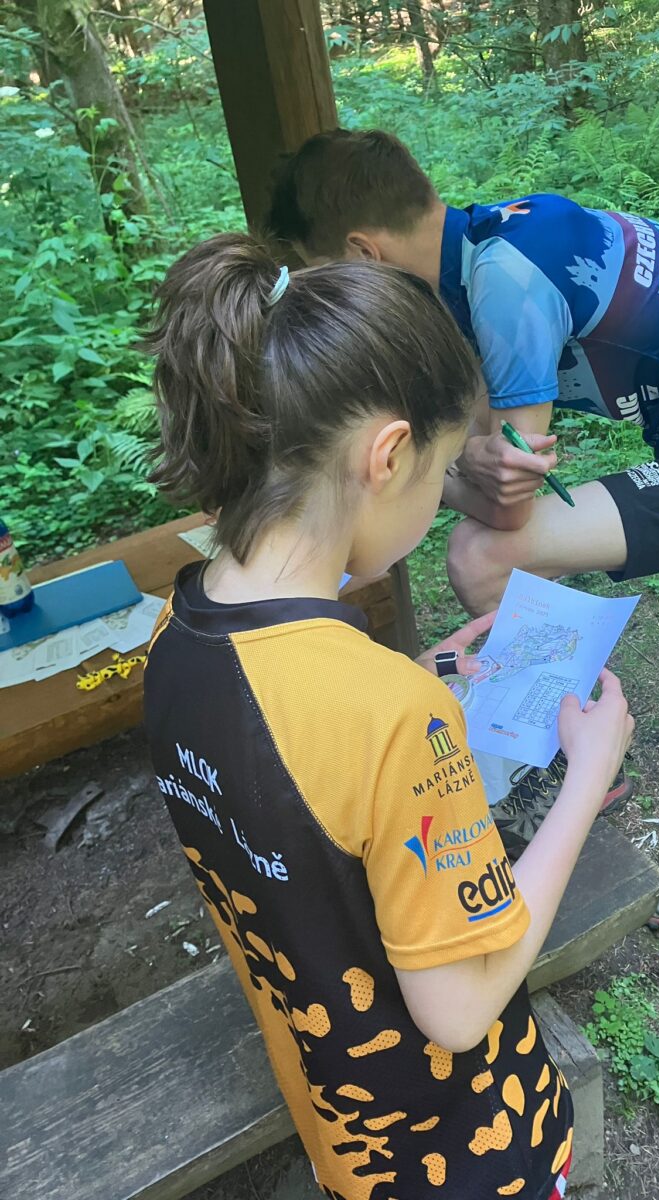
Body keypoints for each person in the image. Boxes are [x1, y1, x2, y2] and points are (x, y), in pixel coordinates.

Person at [142, 234, 633, 1200]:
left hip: (342, 1134)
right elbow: (459, 1008)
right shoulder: (395, 718)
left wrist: (408, 673)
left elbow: (287, 770)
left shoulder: (175, 633)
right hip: (468, 1157)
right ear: (389, 455)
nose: (441, 501)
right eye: (443, 472)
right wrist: (586, 777)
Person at [267, 129, 659, 955]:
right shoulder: (493, 238)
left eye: (334, 278)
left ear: (362, 251)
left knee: (479, 555)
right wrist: (469, 459)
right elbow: (482, 434)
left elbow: (508, 504)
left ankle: (571, 759)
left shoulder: (504, 284)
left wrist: (416, 473)